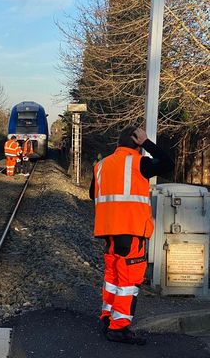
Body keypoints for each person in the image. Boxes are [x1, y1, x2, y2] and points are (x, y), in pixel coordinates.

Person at [90, 126, 173, 345]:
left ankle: (107, 318)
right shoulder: (138, 163)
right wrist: (147, 143)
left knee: (113, 278)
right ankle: (119, 329)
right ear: (136, 142)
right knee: (128, 282)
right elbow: (168, 164)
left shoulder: (100, 165)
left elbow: (93, 194)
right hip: (132, 231)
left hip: (108, 233)